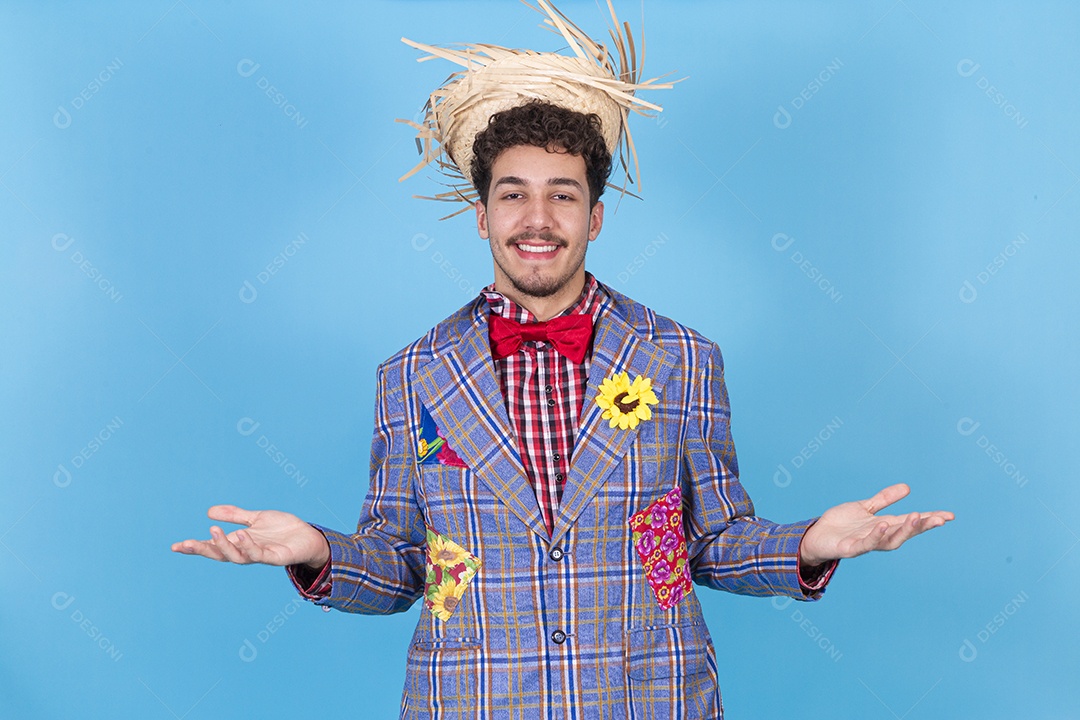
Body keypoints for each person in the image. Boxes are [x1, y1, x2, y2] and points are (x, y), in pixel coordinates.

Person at [172, 4, 953, 718]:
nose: (537, 219)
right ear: (480, 216)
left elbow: (712, 542)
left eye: (563, 195)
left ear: (596, 215)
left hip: (652, 701)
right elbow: (404, 566)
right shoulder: (411, 375)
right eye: (513, 195)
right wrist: (316, 551)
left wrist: (812, 541)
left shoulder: (682, 358)